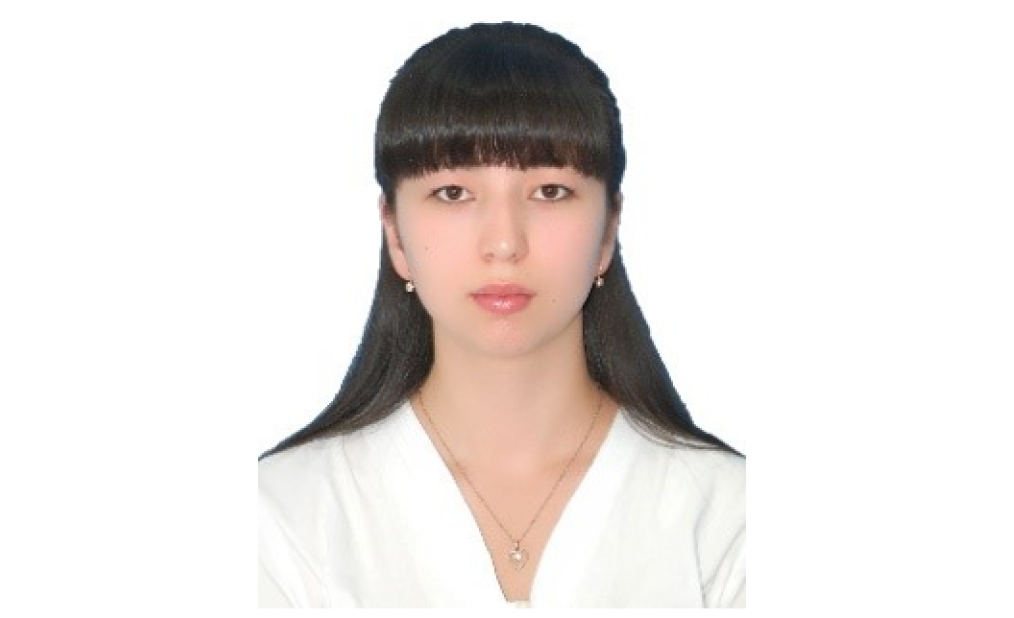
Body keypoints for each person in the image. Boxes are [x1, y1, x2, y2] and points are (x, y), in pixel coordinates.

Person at [258, 22, 744, 608]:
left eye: (550, 191)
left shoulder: (727, 518)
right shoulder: (284, 518)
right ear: (395, 234)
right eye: (454, 193)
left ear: (608, 230)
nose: (505, 244)